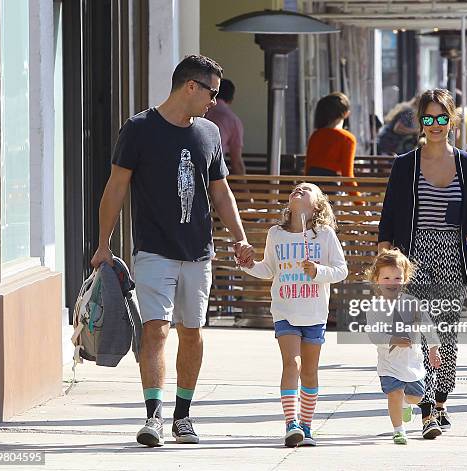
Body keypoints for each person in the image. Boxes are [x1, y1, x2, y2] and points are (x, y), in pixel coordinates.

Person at [90, 55, 255, 447]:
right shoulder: (139, 128)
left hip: (199, 253)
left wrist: (240, 237)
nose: (214, 101)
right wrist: (102, 244)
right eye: (211, 92)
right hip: (154, 251)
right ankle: (154, 417)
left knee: (193, 333)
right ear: (190, 87)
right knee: (156, 330)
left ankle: (183, 416)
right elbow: (115, 187)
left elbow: (220, 190)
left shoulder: (210, 133)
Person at [378, 88, 467, 438]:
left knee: (447, 335)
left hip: (452, 258)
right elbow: (388, 218)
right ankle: (426, 409)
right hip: (413, 257)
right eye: (429, 118)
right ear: (420, 122)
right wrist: (384, 264)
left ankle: (441, 400)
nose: (436, 124)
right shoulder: (405, 165)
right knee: (418, 334)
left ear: (451, 119)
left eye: (442, 117)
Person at [241, 183, 348, 447]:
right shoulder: (275, 234)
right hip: (285, 310)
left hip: (314, 313)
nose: (298, 189)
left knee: (309, 372)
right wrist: (247, 265)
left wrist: (318, 272)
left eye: (306, 189)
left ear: (318, 204)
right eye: (295, 188)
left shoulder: (324, 235)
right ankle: (292, 423)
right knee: (293, 364)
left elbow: (341, 270)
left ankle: (307, 426)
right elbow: (268, 269)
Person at [365, 249, 442, 444]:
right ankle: (398, 430)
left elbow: (428, 326)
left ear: (405, 279)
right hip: (389, 364)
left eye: (397, 278)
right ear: (377, 279)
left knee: (416, 397)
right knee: (394, 394)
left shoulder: (412, 304)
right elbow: (373, 334)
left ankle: (406, 405)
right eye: (387, 277)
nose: (392, 282)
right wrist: (392, 340)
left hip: (412, 363)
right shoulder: (375, 307)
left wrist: (434, 348)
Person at [304, 92, 357, 179]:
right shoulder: (347, 138)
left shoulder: (316, 135)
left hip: (313, 189)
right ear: (346, 113)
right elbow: (347, 175)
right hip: (333, 189)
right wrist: (357, 193)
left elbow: (308, 169)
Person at [205, 78, 246, 175]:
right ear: (231, 99)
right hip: (214, 174)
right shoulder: (233, 120)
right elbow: (236, 161)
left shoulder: (198, 111)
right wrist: (245, 189)